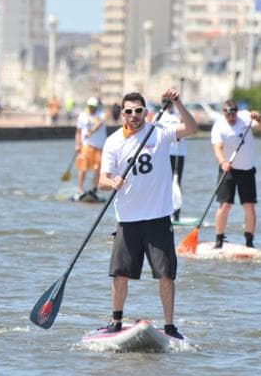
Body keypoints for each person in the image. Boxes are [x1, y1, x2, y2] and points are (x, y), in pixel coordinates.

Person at [98, 88, 198, 339]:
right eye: (129, 111)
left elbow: (192, 128)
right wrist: (113, 182)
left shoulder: (160, 132)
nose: (134, 115)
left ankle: (169, 326)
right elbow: (101, 179)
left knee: (166, 275)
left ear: (146, 112)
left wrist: (177, 101)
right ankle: (116, 320)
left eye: (139, 110)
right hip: (128, 219)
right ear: (122, 114)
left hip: (158, 218)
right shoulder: (113, 141)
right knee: (120, 273)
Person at [210, 99, 261, 249]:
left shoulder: (245, 117)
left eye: (234, 112)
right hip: (228, 169)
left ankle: (249, 241)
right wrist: (223, 162)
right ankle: (219, 240)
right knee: (225, 206)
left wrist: (259, 119)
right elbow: (217, 148)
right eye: (228, 112)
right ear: (223, 112)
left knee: (249, 206)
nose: (232, 115)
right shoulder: (219, 126)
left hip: (247, 170)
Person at [157, 105, 187, 221]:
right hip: (164, 153)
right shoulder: (159, 116)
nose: (168, 104)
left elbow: (188, 129)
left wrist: (182, 122)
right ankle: (164, 214)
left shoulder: (179, 115)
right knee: (164, 183)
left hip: (179, 154)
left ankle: (177, 215)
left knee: (177, 182)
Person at [74, 97, 107, 200]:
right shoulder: (82, 116)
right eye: (90, 106)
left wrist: (91, 132)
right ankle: (80, 190)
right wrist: (77, 144)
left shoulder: (101, 114)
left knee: (97, 169)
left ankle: (94, 190)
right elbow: (78, 132)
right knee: (82, 168)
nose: (92, 108)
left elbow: (98, 124)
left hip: (99, 146)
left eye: (94, 107)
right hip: (86, 145)